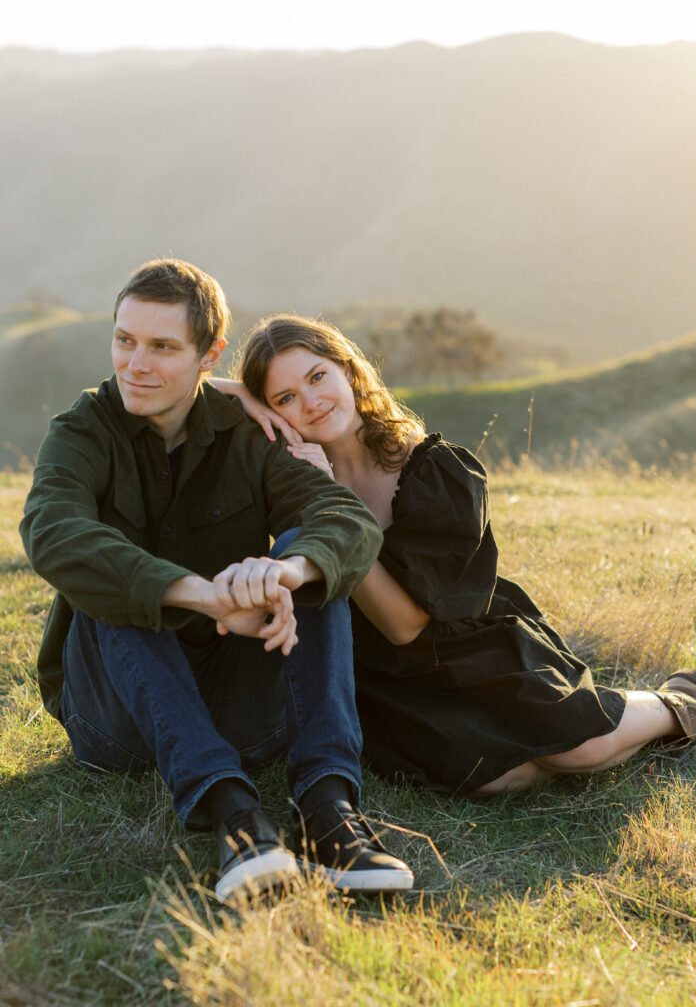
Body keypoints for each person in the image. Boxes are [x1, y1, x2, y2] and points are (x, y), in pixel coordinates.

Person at [20, 261, 414, 899]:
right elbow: (52, 531)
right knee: (112, 570)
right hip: (115, 720)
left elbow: (344, 519)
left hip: (241, 707)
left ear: (210, 356)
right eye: (124, 340)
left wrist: (282, 573)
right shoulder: (83, 429)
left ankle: (327, 808)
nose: (135, 365)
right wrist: (207, 599)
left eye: (162, 347)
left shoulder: (248, 433)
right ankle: (232, 813)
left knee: (309, 560)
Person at [213, 313, 696, 798]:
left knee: (583, 750)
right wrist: (240, 394)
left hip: (469, 647)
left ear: (348, 370)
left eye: (318, 376)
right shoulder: (291, 476)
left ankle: (682, 702)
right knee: (506, 777)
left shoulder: (436, 471)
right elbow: (166, 389)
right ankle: (611, 730)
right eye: (284, 397)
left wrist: (337, 511)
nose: (310, 401)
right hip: (383, 677)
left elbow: (406, 625)